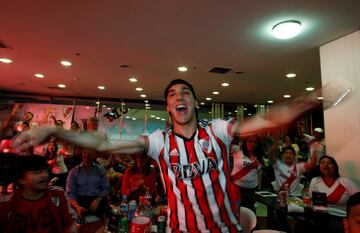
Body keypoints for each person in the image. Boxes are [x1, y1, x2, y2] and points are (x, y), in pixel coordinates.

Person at [13, 79, 324, 232]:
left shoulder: (215, 130)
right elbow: (105, 144)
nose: (179, 97)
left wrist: (304, 103)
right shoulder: (159, 141)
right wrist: (53, 132)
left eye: (185, 92)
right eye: (172, 94)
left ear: (196, 102)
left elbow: (263, 122)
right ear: (168, 105)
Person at [0, 155, 73, 233]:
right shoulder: (7, 204)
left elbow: (70, 222)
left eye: (46, 171)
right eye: (37, 172)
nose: (45, 175)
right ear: (21, 179)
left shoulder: (57, 196)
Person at [66, 149, 110, 220]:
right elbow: (70, 193)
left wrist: (98, 200)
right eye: (85, 153)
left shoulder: (100, 170)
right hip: (79, 200)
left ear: (94, 155)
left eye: (90, 153)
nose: (86, 156)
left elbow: (105, 189)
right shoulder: (73, 172)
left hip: (96, 199)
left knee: (109, 215)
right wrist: (77, 206)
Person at [231, 136, 263, 211]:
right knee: (236, 210)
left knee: (249, 211)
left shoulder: (259, 156)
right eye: (250, 141)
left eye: (255, 143)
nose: (252, 144)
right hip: (236, 189)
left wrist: (259, 187)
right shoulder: (237, 150)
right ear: (245, 142)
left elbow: (259, 171)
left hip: (252, 190)